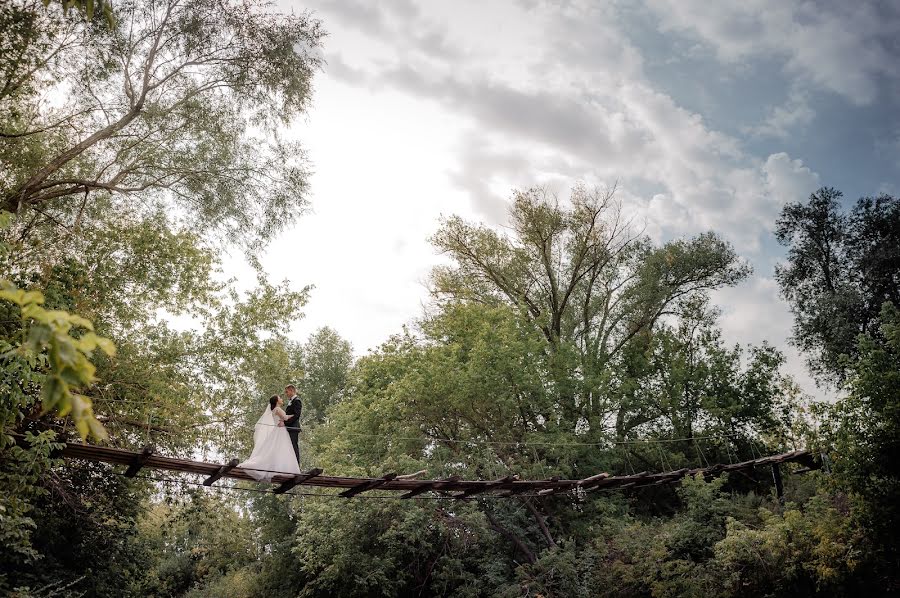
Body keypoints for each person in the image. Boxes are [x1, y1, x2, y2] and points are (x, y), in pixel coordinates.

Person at [238, 395, 302, 482]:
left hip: (279, 430)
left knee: (278, 450)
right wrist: (294, 415)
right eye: (280, 398)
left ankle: (281, 468)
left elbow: (284, 418)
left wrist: (288, 418)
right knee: (282, 449)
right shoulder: (277, 409)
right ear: (276, 401)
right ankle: (283, 469)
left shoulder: (274, 409)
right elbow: (285, 418)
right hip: (280, 431)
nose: (281, 399)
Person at [283, 384, 302, 463]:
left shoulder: (297, 401)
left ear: (291, 390)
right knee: (288, 447)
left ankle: (297, 465)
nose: (286, 394)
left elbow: (296, 415)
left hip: (293, 427)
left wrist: (285, 423)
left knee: (294, 446)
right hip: (289, 427)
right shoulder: (290, 401)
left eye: (287, 392)